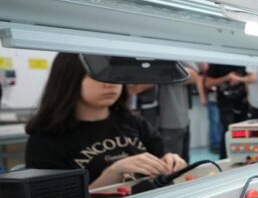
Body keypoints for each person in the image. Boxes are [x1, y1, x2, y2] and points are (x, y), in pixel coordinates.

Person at [25, 53, 185, 189]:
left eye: (115, 75)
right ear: (69, 79)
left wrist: (169, 164)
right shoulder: (46, 141)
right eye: (98, 75)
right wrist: (112, 174)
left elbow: (158, 162)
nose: (110, 84)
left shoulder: (134, 123)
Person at [204, 64, 253, 158]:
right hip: (225, 104)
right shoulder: (217, 62)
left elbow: (252, 78)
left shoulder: (244, 60)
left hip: (243, 104)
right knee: (229, 132)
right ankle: (224, 159)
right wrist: (226, 78)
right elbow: (208, 83)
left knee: (243, 134)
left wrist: (240, 80)